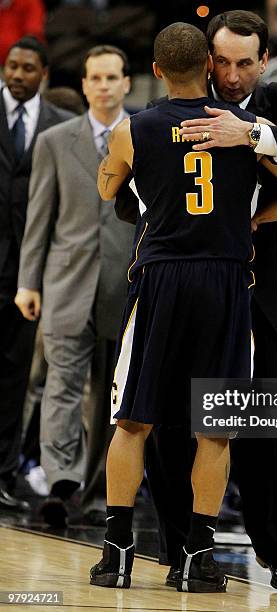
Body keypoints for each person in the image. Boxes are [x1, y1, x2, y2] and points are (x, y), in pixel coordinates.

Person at [89, 22, 277, 593]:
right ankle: (192, 551)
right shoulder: (238, 126)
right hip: (223, 282)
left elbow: (107, 190)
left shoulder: (256, 115)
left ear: (264, 61)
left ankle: (126, 548)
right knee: (201, 429)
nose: (234, 74)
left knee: (152, 420)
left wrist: (248, 157)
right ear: (208, 64)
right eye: (224, 62)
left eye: (245, 63)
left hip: (205, 286)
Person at [15, 45, 135, 527]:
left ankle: (102, 491)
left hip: (124, 285)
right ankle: (62, 483)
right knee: (61, 386)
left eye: (112, 77)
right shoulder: (54, 140)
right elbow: (39, 217)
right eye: (95, 78)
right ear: (83, 84)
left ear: (127, 82)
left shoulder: (144, 137)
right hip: (66, 281)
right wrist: (29, 281)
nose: (103, 86)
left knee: (115, 395)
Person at [0, 36, 72, 512]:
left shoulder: (60, 126)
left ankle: (5, 472)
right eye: (12, 65)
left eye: (28, 68)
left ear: (43, 73)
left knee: (13, 377)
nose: (18, 74)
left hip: (27, 272)